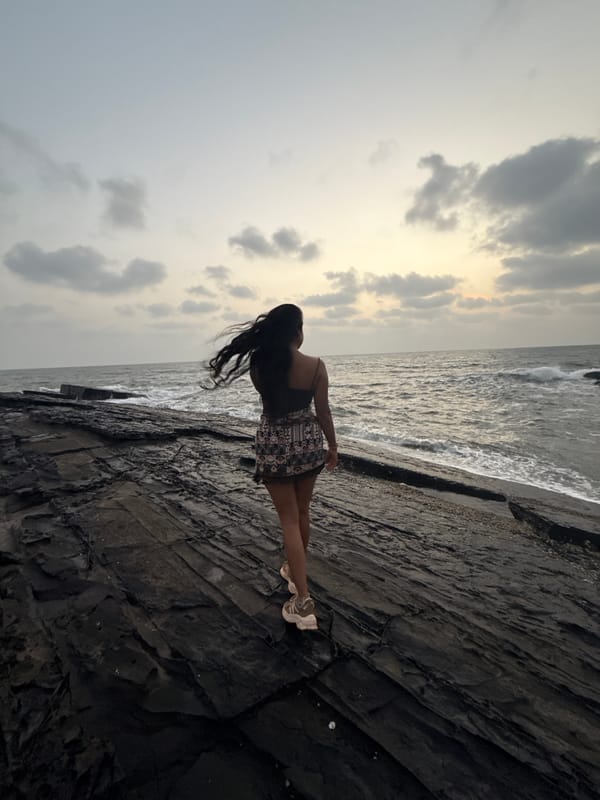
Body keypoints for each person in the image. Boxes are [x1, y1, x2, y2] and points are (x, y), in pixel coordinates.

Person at [207, 304, 338, 631]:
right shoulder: (317, 366)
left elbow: (271, 402)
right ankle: (295, 577)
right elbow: (323, 413)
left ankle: (303, 601)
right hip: (309, 442)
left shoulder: (260, 365)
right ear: (297, 332)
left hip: (274, 444)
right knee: (303, 513)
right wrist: (333, 447)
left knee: (289, 520)